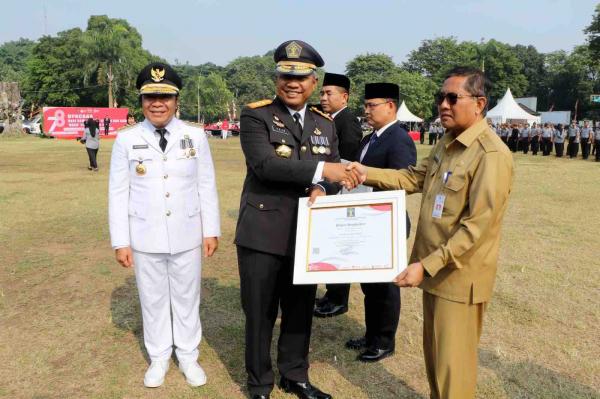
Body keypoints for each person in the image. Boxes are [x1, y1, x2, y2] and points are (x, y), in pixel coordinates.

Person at [343, 67, 514, 399]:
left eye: (453, 98)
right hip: (436, 275)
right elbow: (411, 178)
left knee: (454, 372)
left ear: (480, 104)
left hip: (459, 278)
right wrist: (366, 172)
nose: (443, 105)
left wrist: (426, 265)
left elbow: (475, 229)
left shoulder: (490, 155)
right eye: (441, 98)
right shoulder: (448, 145)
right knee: (436, 363)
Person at [234, 40, 354, 399]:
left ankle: (294, 374)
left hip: (307, 234)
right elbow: (266, 166)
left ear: (314, 83)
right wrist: (323, 169)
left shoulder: (324, 123)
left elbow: (331, 177)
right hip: (262, 232)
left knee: (300, 310)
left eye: (301, 77)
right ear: (276, 78)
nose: (293, 83)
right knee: (260, 314)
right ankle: (259, 384)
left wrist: (322, 187)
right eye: (286, 75)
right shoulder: (256, 115)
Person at [108, 62, 220, 388]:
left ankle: (188, 356)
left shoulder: (194, 136)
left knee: (187, 298)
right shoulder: (127, 139)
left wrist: (210, 229)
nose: (158, 103)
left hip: (186, 233)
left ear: (176, 100)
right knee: (152, 299)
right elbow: (118, 193)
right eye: (150, 97)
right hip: (144, 235)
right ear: (141, 101)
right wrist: (120, 241)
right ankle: (158, 356)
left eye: (165, 97)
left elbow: (206, 185)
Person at [340, 83, 416, 362]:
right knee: (369, 284)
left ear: (390, 106)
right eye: (366, 105)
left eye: (372, 105)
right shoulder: (370, 138)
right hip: (366, 219)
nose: (367, 111)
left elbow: (402, 182)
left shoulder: (399, 139)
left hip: (386, 220)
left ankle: (384, 341)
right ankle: (371, 334)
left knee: (384, 285)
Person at [314, 72, 363, 318]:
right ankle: (330, 293)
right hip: (325, 188)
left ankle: (338, 298)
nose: (323, 97)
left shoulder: (348, 121)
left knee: (338, 247)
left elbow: (348, 161)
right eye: (321, 92)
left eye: (328, 93)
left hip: (340, 191)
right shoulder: (327, 118)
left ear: (344, 97)